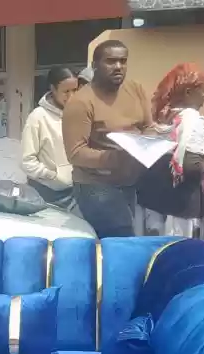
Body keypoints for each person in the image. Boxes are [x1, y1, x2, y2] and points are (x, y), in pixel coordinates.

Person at [63, 40, 153, 237]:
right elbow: (75, 153)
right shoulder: (81, 102)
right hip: (96, 185)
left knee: (131, 239)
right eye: (111, 61)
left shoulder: (136, 89)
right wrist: (117, 158)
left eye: (123, 61)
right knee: (121, 238)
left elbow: (148, 127)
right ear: (95, 65)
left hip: (131, 182)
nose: (118, 66)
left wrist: (152, 144)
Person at [137, 63, 204, 238]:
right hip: (180, 210)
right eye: (203, 91)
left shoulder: (160, 117)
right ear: (188, 92)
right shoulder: (193, 121)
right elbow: (191, 168)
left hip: (152, 205)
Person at [22, 66, 79, 209]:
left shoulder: (78, 114)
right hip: (46, 192)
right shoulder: (38, 117)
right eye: (66, 92)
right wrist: (52, 176)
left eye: (75, 90)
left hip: (75, 190)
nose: (71, 96)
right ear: (53, 89)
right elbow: (27, 162)